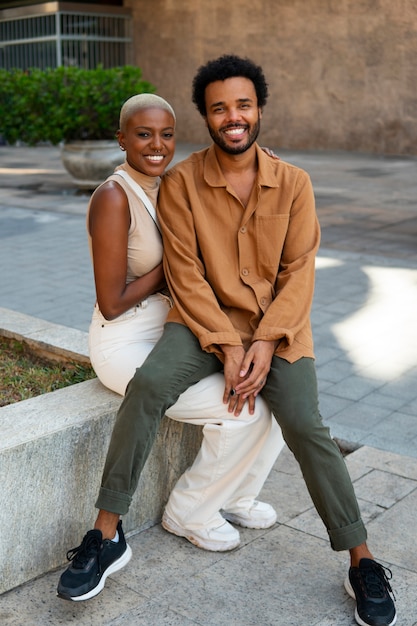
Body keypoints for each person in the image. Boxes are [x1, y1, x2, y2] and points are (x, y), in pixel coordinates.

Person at [60, 55, 396, 626]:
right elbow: (185, 273)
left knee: (308, 426)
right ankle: (105, 535)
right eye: (219, 108)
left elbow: (299, 273)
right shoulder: (183, 182)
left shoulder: (293, 183)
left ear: (258, 109)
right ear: (207, 117)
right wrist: (228, 344)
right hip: (198, 323)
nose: (232, 117)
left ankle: (361, 559)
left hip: (280, 330)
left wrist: (263, 342)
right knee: (147, 388)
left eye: (242, 105)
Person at [57, 93, 284, 602]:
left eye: (165, 135)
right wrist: (179, 265)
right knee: (244, 409)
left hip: (176, 326)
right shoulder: (113, 197)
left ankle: (239, 494)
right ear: (122, 139)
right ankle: (191, 511)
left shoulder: (170, 186)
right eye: (143, 134)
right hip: (125, 341)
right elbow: (111, 302)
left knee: (270, 382)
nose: (156, 145)